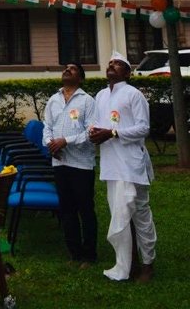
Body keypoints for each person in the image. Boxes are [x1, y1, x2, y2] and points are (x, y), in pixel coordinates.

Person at [89, 52, 156, 283]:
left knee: (140, 215)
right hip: (111, 165)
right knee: (120, 215)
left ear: (127, 72)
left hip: (131, 164)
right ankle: (127, 263)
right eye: (110, 63)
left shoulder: (134, 94)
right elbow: (99, 124)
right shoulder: (100, 95)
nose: (111, 65)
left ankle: (148, 264)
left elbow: (143, 128)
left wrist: (113, 133)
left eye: (118, 64)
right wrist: (95, 132)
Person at [42, 61, 97, 266]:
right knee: (67, 209)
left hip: (81, 163)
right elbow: (47, 127)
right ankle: (74, 253)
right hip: (60, 162)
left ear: (80, 78)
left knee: (85, 208)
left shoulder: (87, 101)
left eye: (72, 69)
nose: (67, 70)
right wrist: (50, 145)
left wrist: (66, 141)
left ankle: (89, 254)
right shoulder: (53, 100)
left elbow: (91, 132)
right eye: (65, 68)